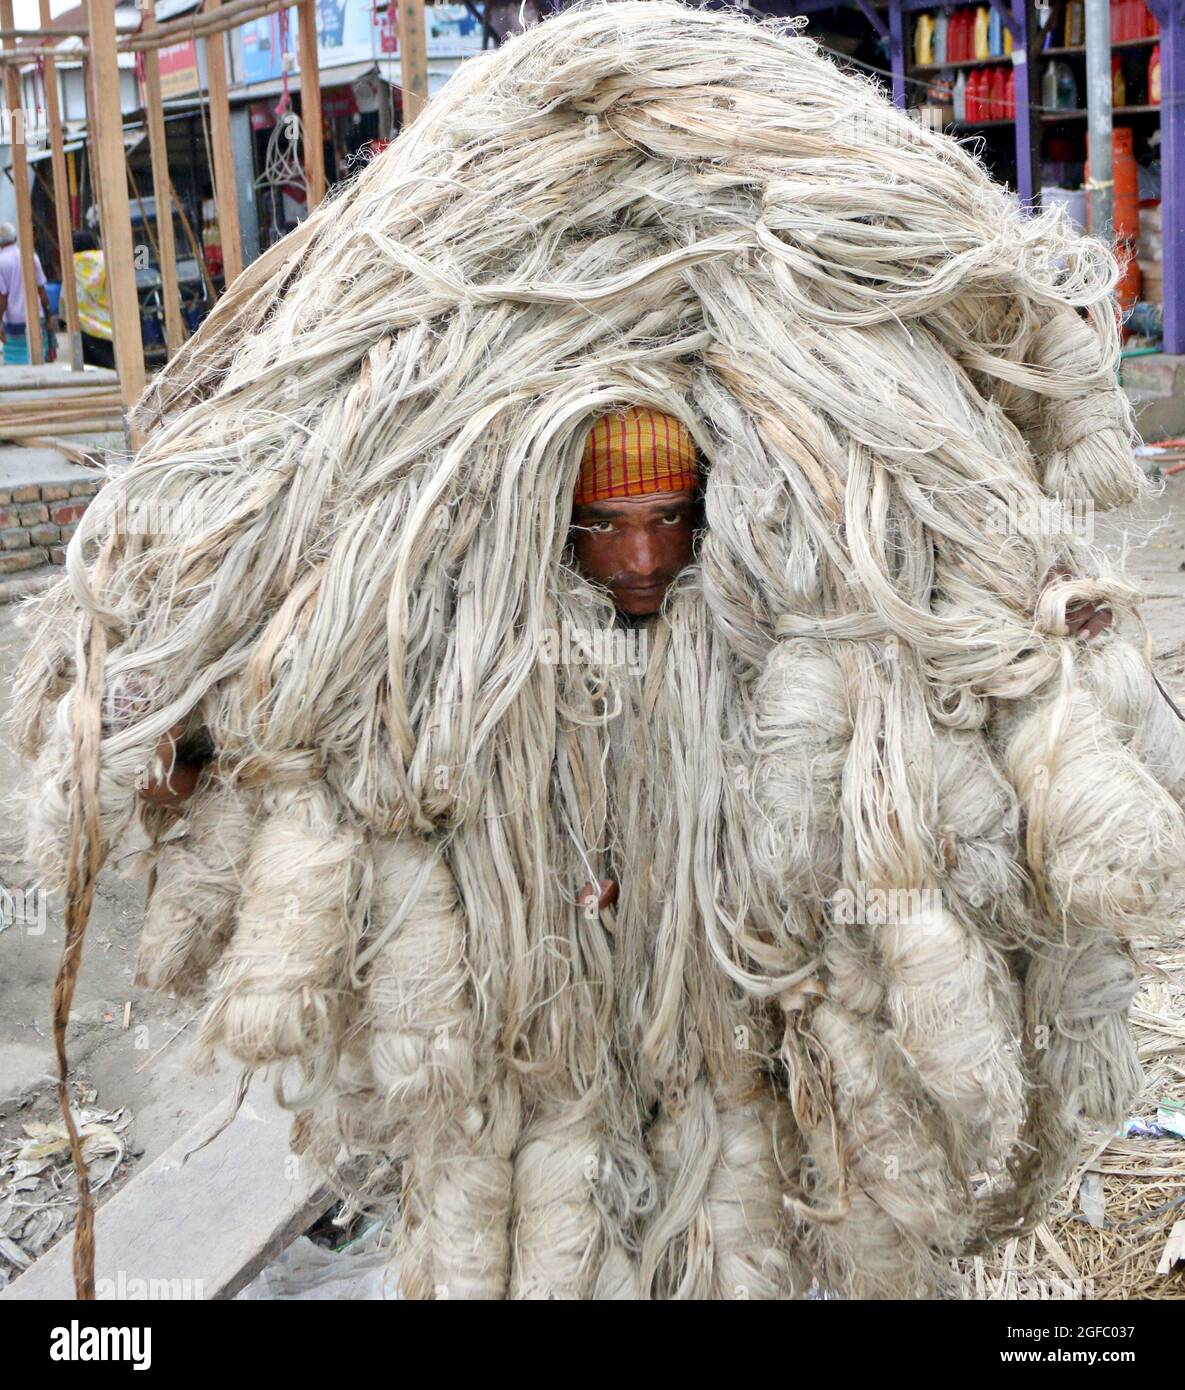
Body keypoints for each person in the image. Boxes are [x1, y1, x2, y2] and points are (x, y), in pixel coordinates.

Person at [0, 220, 51, 366]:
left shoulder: (1, 261)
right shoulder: (31, 256)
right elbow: (42, 290)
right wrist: (48, 318)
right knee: (37, 358)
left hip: (13, 322)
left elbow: (2, 297)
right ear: (15, 238)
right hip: (36, 317)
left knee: (14, 362)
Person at [72, 230, 116, 369]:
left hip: (83, 326)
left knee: (91, 369)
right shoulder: (105, 259)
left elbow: (65, 295)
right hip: (109, 324)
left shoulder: (71, 263)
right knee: (112, 367)